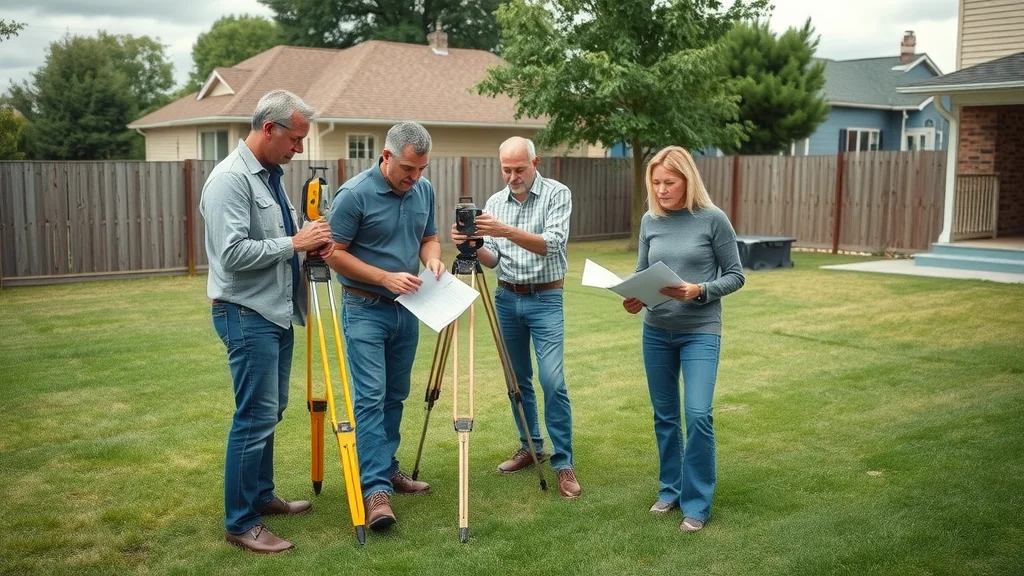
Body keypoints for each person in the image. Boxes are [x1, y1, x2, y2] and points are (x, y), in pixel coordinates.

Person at [201, 89, 334, 554]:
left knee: (270, 412)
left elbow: (283, 240)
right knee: (254, 416)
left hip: (275, 312)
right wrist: (296, 244)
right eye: (295, 138)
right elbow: (232, 255)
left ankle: (260, 495)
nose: (299, 148)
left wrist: (313, 244)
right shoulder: (229, 180)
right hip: (245, 312)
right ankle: (241, 522)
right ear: (269, 128)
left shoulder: (271, 177)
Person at [325, 121, 444, 531]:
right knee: (371, 396)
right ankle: (374, 489)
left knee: (396, 393)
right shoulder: (353, 195)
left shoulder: (422, 191)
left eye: (422, 169)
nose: (415, 178)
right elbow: (333, 254)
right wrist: (383, 278)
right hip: (364, 308)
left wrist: (432, 259)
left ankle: (388, 467)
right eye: (408, 169)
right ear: (386, 156)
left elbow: (429, 237)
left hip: (407, 308)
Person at [621, 145, 745, 533]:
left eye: (668, 182)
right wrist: (635, 298)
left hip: (700, 332)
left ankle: (698, 502)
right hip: (656, 332)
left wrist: (700, 290)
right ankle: (670, 489)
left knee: (698, 414)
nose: (660, 189)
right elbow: (643, 272)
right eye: (655, 182)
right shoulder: (650, 221)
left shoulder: (713, 219)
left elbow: (737, 275)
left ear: (687, 180)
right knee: (665, 417)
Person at [450, 136, 581, 499]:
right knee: (517, 381)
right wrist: (474, 245)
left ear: (535, 162)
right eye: (506, 169)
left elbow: (551, 243)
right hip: (507, 297)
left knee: (552, 380)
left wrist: (502, 230)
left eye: (519, 169)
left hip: (546, 297)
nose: (512, 176)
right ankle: (531, 446)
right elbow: (495, 258)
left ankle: (563, 461)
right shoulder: (494, 203)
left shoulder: (557, 194)